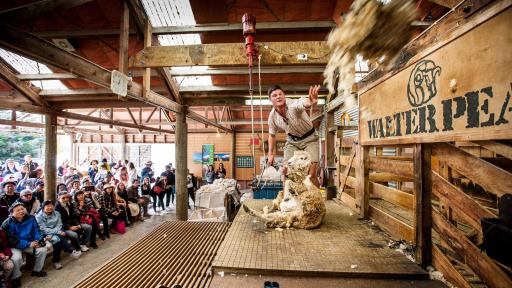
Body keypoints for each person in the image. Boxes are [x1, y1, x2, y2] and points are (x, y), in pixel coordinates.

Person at [267, 84, 321, 187]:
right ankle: (287, 199)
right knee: (286, 172)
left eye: (280, 94)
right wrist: (270, 154)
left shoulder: (292, 105)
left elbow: (302, 102)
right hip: (292, 141)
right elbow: (272, 134)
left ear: (284, 96)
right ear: (270, 100)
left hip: (310, 139)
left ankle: (317, 199)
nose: (278, 96)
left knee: (311, 173)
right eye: (274, 95)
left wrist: (310, 101)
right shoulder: (272, 116)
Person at [2, 202, 48, 287]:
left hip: (30, 243)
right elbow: (12, 239)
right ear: (12, 213)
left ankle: (36, 270)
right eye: (18, 210)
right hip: (14, 246)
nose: (21, 211)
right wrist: (29, 244)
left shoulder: (31, 217)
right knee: (16, 259)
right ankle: (16, 277)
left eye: (22, 209)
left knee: (42, 250)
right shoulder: (7, 223)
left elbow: (36, 230)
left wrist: (37, 240)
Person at [36, 200, 82, 270]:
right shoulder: (39, 216)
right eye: (47, 206)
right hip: (46, 233)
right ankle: (70, 251)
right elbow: (43, 229)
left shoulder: (57, 213)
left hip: (59, 230)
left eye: (51, 205)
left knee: (58, 239)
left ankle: (56, 261)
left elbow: (59, 224)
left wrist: (58, 231)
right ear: (43, 207)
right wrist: (57, 232)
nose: (50, 207)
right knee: (58, 239)